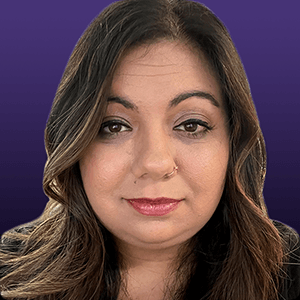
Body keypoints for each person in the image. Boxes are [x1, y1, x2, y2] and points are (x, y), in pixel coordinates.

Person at [0, 0, 299, 299]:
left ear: (233, 142)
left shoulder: (289, 273)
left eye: (191, 125)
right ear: (75, 140)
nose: (155, 163)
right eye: (114, 126)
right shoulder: (9, 274)